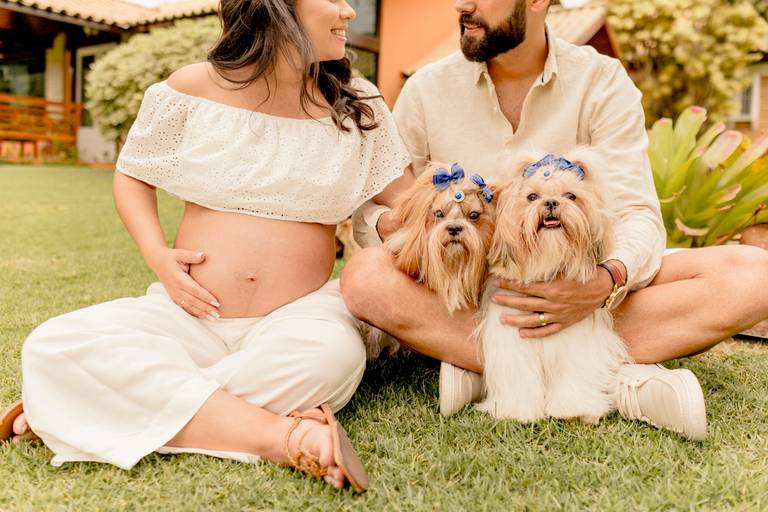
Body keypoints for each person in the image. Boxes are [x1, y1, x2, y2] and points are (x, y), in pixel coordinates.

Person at [0, 0, 413, 492]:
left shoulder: (356, 104)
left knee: (333, 358)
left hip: (298, 318)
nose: (348, 12)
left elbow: (406, 200)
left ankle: (89, 405)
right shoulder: (191, 88)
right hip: (190, 315)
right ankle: (277, 436)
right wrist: (157, 255)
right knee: (51, 344)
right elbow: (133, 176)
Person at [340, 0, 768, 440]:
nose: (461, 5)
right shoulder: (425, 89)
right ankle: (613, 378)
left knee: (755, 275)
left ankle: (484, 369)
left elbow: (637, 214)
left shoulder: (601, 80)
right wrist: (404, 226)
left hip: (588, 286)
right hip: (470, 298)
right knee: (365, 277)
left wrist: (603, 282)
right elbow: (373, 214)